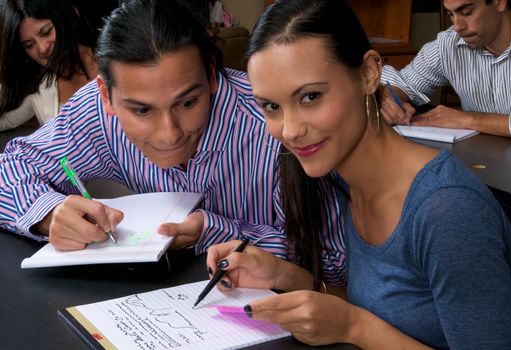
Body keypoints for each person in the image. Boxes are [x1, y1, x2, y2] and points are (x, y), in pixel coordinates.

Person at [206, 0, 511, 348]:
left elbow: (362, 322)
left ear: (369, 73)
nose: (290, 130)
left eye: (311, 96)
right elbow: (385, 312)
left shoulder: (447, 211)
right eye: (272, 106)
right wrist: (285, 276)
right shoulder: (344, 180)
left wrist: (352, 327)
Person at [0, 0, 347, 284]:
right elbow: (12, 168)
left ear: (211, 75)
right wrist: (49, 214)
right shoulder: (96, 111)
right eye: (141, 110)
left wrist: (213, 229)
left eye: (187, 103)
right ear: (107, 96)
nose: (169, 134)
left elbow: (333, 264)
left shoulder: (277, 128)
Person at [380, 0, 511, 143]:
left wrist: (467, 119)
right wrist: (393, 100)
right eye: (450, 14)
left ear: (499, 2)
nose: (457, 26)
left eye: (467, 12)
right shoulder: (449, 44)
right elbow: (401, 83)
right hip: (481, 160)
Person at [0, 0, 100, 131]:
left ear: (71, 14)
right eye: (29, 45)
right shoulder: (38, 86)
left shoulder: (120, 50)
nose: (42, 48)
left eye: (46, 32)